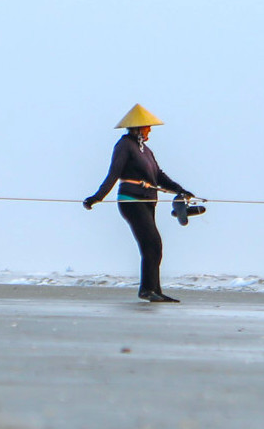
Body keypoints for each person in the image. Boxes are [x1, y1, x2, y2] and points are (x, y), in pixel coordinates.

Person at [83, 105, 195, 302]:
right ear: (138, 128)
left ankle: (155, 290)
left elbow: (158, 175)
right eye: (147, 127)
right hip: (131, 201)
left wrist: (181, 190)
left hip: (148, 201)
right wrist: (97, 197)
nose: (150, 130)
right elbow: (114, 173)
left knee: (154, 246)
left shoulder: (146, 150)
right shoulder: (124, 145)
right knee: (152, 243)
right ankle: (146, 290)